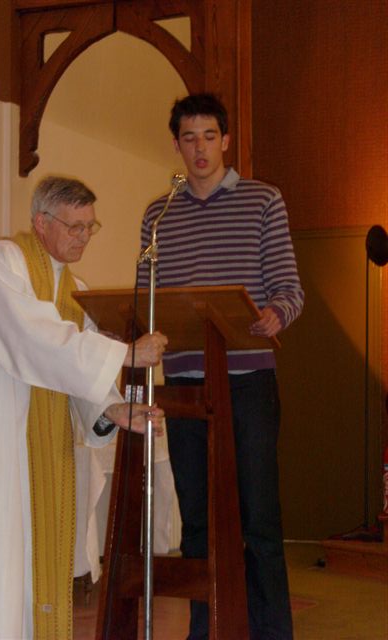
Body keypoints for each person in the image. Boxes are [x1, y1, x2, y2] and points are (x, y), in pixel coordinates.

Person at [0, 176, 167, 640]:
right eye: (74, 226)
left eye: (91, 227)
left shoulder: (77, 290)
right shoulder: (1, 263)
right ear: (41, 223)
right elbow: (36, 338)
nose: (83, 237)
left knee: (29, 572)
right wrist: (125, 354)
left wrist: (113, 410)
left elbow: (74, 373)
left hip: (44, 456)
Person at [139, 94, 304, 640]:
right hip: (185, 383)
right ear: (177, 145)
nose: (200, 148)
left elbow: (288, 290)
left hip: (248, 381)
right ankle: (205, 630)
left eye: (210, 136)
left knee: (258, 519)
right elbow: (146, 300)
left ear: (226, 140)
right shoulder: (158, 214)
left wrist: (275, 315)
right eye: (189, 138)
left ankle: (270, 633)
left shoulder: (263, 201)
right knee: (198, 522)